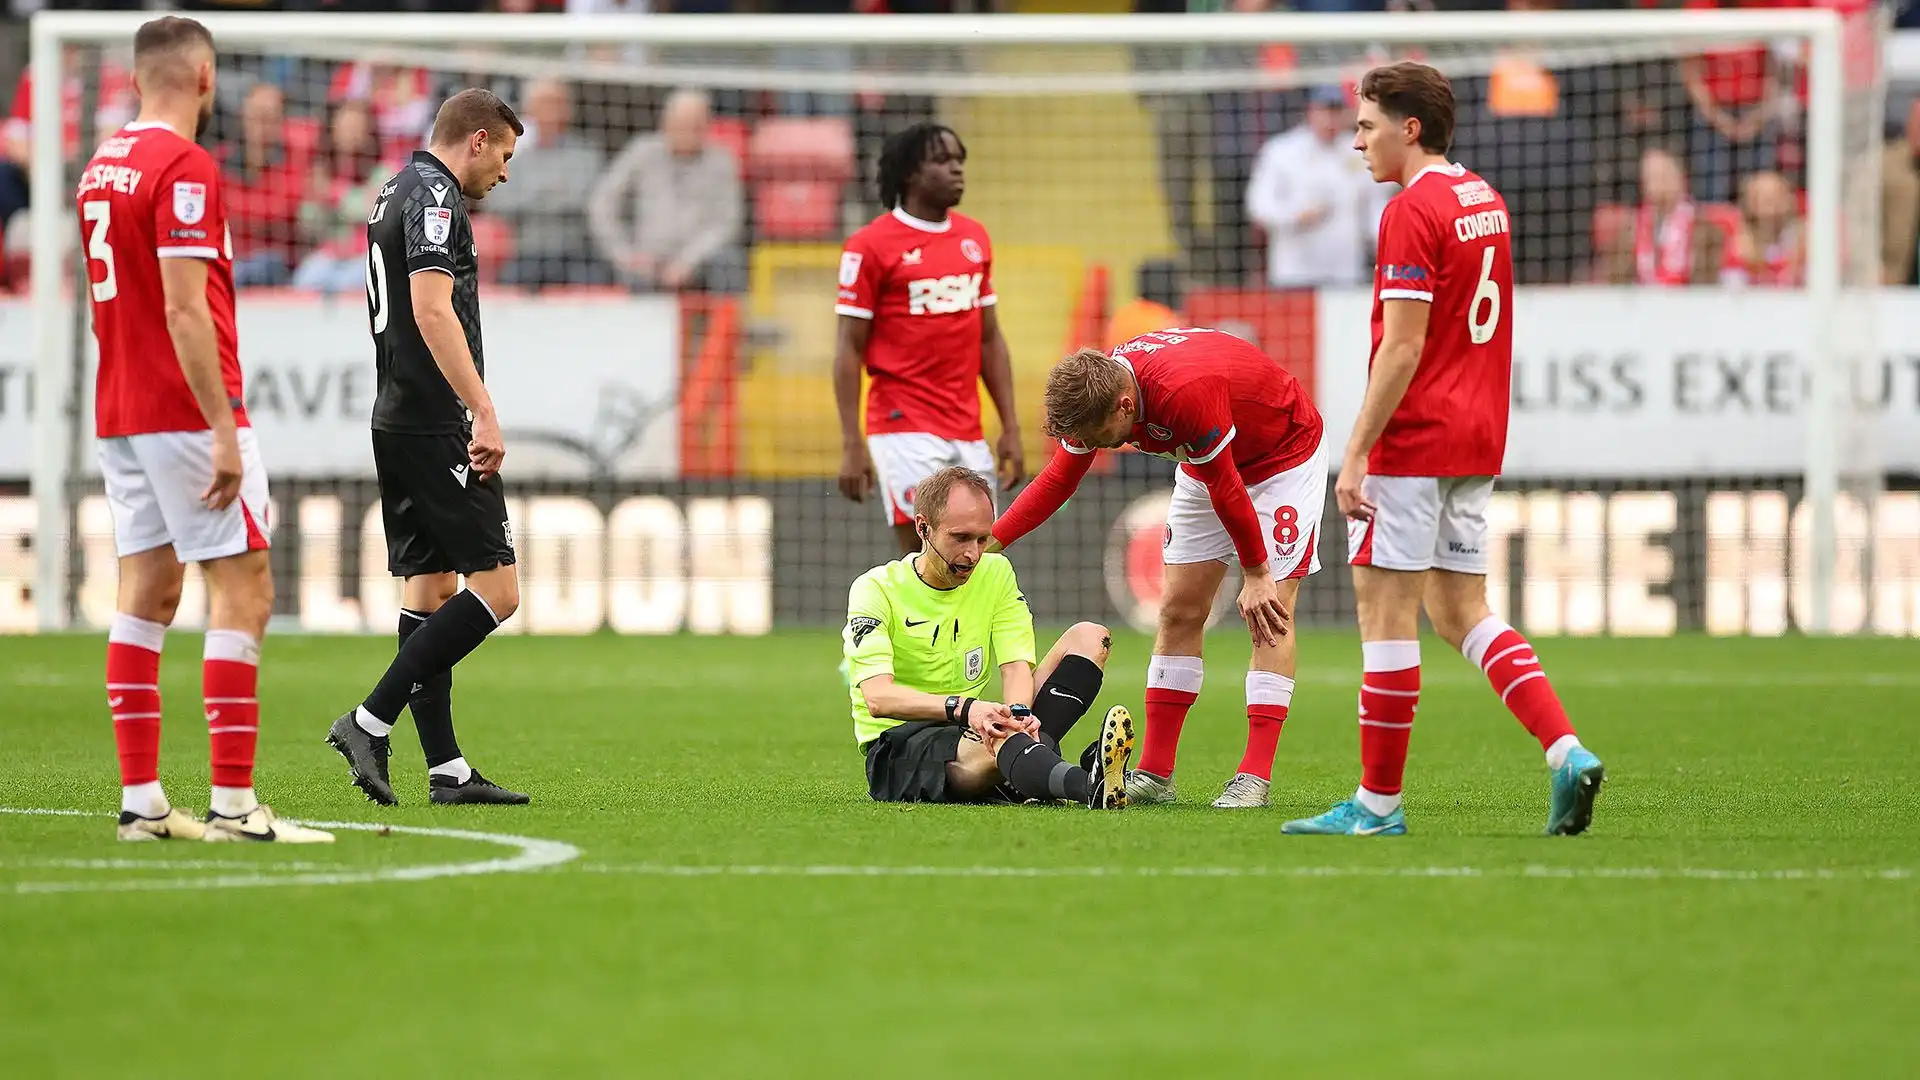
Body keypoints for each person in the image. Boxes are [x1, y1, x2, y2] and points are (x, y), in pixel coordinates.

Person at [1285, 61, 1606, 839]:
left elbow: (1401, 349)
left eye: (1366, 127)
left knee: (1384, 613)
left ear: (1410, 127)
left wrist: (1355, 450)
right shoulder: (1482, 198)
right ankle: (1565, 750)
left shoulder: (1411, 210)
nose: (1358, 143)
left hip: (1416, 439)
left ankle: (1377, 806)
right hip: (1476, 438)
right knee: (1462, 610)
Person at [77, 16, 330, 843]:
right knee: (245, 583)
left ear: (134, 79)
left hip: (120, 406)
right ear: (206, 78)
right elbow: (185, 306)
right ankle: (233, 806)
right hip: (183, 409)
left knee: (147, 590)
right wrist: (222, 427)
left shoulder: (101, 164)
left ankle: (143, 802)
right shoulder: (183, 167)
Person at [992, 328, 1326, 810]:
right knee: (1178, 612)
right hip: (1205, 461)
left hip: (1282, 460)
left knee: (1269, 613)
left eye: (1098, 438)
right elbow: (1060, 477)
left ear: (1125, 406)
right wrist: (994, 541)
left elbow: (1229, 488)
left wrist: (1256, 573)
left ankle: (1254, 776)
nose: (1095, 447)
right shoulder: (1098, 390)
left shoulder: (1183, 395)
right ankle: (1156, 773)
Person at [325, 88, 530, 807]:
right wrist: (482, 409)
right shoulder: (437, 199)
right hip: (436, 419)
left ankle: (446, 771)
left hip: (396, 414)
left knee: (430, 590)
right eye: (503, 155)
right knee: (497, 591)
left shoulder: (393, 190)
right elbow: (431, 305)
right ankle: (367, 720)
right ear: (475, 140)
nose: (504, 172)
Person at [847, 467, 1133, 809]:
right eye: (961, 538)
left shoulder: (995, 572)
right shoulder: (875, 588)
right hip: (899, 745)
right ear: (923, 528)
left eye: (982, 539)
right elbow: (879, 698)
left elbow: (1015, 667)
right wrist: (966, 709)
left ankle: (1029, 763)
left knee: (1091, 637)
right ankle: (1085, 784)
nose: (973, 553)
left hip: (972, 725)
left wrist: (1018, 712)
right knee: (1001, 738)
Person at [835, 122, 1025, 555]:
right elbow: (848, 347)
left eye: (959, 160)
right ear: (909, 174)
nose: (957, 169)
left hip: (969, 428)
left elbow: (989, 340)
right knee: (928, 558)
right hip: (903, 425)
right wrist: (851, 441)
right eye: (942, 161)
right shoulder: (870, 246)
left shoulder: (974, 238)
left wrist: (1010, 426)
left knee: (980, 555)